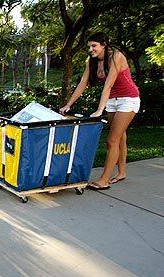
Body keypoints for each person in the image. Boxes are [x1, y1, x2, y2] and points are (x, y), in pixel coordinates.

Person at [60, 32, 140, 190]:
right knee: (120, 137)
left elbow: (108, 85)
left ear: (104, 44)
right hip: (112, 101)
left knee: (111, 141)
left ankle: (104, 180)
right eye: (89, 46)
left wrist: (99, 110)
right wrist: (68, 104)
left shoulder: (116, 57)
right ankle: (122, 172)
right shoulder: (92, 62)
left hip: (128, 100)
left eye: (94, 45)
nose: (90, 49)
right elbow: (83, 83)